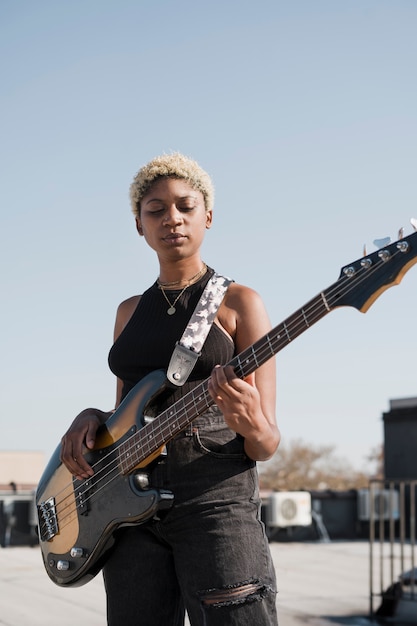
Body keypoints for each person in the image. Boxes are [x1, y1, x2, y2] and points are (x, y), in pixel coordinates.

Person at [60, 152, 280, 625]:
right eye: (155, 209)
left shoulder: (239, 302)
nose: (172, 219)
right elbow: (124, 420)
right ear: (139, 225)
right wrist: (90, 416)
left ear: (209, 216)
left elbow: (266, 443)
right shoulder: (128, 312)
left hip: (214, 505)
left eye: (185, 205)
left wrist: (253, 424)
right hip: (129, 515)